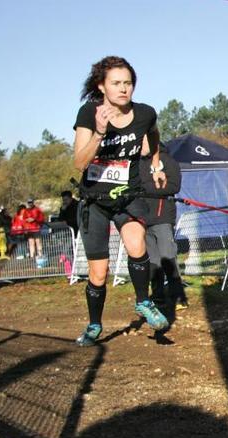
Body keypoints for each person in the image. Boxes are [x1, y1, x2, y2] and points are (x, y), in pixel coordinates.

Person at [71, 55, 169, 346]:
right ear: (102, 86)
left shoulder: (145, 113)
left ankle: (143, 301)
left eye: (128, 83)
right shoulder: (88, 113)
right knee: (99, 274)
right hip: (95, 202)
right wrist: (100, 133)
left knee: (136, 242)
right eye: (116, 83)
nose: (124, 88)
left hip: (128, 195)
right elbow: (79, 162)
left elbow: (153, 134)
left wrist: (156, 164)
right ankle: (93, 325)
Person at [139, 147, 188, 314]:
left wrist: (145, 187)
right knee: (153, 262)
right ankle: (158, 297)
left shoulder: (168, 161)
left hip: (163, 218)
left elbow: (173, 186)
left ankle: (179, 296)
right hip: (144, 219)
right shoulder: (139, 163)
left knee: (168, 257)